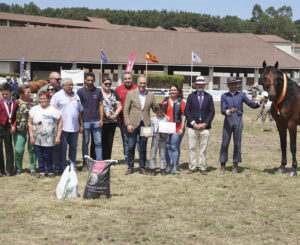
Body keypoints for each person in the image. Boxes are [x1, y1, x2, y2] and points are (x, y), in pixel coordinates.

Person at [219, 77, 260, 174]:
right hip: (228, 122)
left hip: (238, 121)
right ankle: (223, 165)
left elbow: (251, 104)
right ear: (228, 85)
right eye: (230, 84)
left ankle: (235, 165)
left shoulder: (241, 95)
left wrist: (260, 102)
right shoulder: (224, 96)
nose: (232, 86)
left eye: (233, 84)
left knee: (237, 144)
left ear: (236, 85)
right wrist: (229, 111)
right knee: (225, 143)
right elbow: (222, 110)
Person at [123, 74, 156, 175]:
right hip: (133, 124)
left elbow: (155, 108)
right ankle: (130, 166)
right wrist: (128, 124)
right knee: (131, 146)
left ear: (146, 84)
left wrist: (162, 111)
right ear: (137, 83)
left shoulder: (151, 95)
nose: (142, 84)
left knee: (143, 147)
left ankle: (142, 167)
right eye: (141, 83)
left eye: (144, 83)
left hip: (145, 125)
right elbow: (126, 110)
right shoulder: (130, 94)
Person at [50, 78, 83, 173]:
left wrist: (81, 124)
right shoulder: (57, 96)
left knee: (73, 147)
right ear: (63, 86)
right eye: (69, 85)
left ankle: (73, 167)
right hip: (62, 127)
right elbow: (51, 109)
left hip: (75, 127)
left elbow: (80, 110)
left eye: (72, 84)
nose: (71, 86)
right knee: (62, 148)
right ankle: (63, 167)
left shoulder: (76, 96)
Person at [184, 76, 215, 175]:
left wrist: (205, 123)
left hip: (205, 127)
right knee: (192, 148)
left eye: (202, 84)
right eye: (198, 84)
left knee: (203, 148)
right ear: (196, 85)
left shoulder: (209, 97)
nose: (200, 86)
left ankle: (202, 167)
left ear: (204, 86)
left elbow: (212, 112)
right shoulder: (190, 96)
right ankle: (192, 167)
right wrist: (193, 123)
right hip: (193, 127)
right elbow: (186, 111)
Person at [28, 91, 62, 178]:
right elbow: (30, 123)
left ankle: (50, 171)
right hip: (37, 138)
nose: (42, 100)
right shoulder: (34, 109)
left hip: (50, 138)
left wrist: (58, 136)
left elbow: (60, 123)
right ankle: (41, 171)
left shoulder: (55, 110)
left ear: (48, 99)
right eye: (41, 98)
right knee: (39, 154)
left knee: (48, 154)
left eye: (44, 98)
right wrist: (31, 136)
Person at [77, 72, 104, 168]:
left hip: (97, 120)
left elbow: (101, 105)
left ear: (94, 80)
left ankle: (99, 162)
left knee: (98, 142)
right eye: (88, 80)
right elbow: (79, 108)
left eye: (92, 80)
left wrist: (101, 119)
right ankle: (85, 162)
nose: (90, 82)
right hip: (85, 121)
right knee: (85, 142)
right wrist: (81, 123)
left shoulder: (98, 91)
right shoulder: (80, 91)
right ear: (85, 80)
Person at [14, 85, 38, 175]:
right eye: (27, 92)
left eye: (30, 91)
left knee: (32, 149)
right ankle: (18, 168)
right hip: (19, 129)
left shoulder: (35, 102)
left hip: (33, 129)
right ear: (21, 94)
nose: (30, 93)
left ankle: (32, 168)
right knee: (18, 149)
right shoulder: (16, 103)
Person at [162, 84, 186, 174]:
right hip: (167, 127)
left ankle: (175, 165)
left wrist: (182, 128)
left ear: (178, 91)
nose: (173, 91)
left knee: (174, 147)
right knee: (167, 146)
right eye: (171, 90)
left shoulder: (181, 102)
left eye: (175, 90)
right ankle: (168, 165)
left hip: (177, 128)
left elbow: (184, 116)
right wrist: (165, 116)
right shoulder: (165, 100)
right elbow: (160, 112)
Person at [115, 72, 138, 161]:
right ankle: (128, 158)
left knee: (138, 140)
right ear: (123, 80)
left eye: (129, 78)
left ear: (132, 79)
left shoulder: (137, 88)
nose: (127, 80)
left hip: (136, 120)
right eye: (126, 79)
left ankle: (139, 159)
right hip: (123, 120)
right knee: (126, 140)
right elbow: (115, 104)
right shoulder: (118, 89)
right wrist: (117, 117)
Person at [101, 77, 122, 160]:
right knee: (101, 141)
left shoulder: (114, 93)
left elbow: (119, 106)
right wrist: (105, 114)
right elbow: (98, 105)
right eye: (106, 84)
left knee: (109, 142)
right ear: (102, 84)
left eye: (109, 84)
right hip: (102, 121)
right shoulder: (99, 93)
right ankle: (99, 158)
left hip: (112, 121)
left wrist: (115, 115)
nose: (108, 85)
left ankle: (107, 159)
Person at [0, 83, 18, 177]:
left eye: (6, 94)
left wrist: (14, 125)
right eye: (3, 94)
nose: (5, 96)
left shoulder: (15, 103)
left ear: (11, 93)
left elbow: (17, 117)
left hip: (9, 127)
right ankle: (1, 170)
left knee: (9, 148)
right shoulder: (0, 102)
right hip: (0, 126)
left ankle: (10, 169)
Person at [148, 104, 169, 176]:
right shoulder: (152, 119)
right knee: (153, 153)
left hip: (163, 137)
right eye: (158, 113)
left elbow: (169, 128)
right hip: (155, 136)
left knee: (162, 153)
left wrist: (169, 131)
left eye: (161, 112)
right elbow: (150, 128)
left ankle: (163, 169)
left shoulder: (166, 119)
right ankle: (152, 168)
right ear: (155, 112)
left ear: (163, 111)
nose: (159, 114)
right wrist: (148, 134)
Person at [47, 84, 60, 174]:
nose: (50, 91)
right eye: (49, 90)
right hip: (46, 127)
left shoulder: (57, 100)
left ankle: (56, 165)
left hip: (55, 127)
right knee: (46, 147)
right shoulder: (44, 100)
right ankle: (46, 166)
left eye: (52, 90)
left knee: (56, 148)